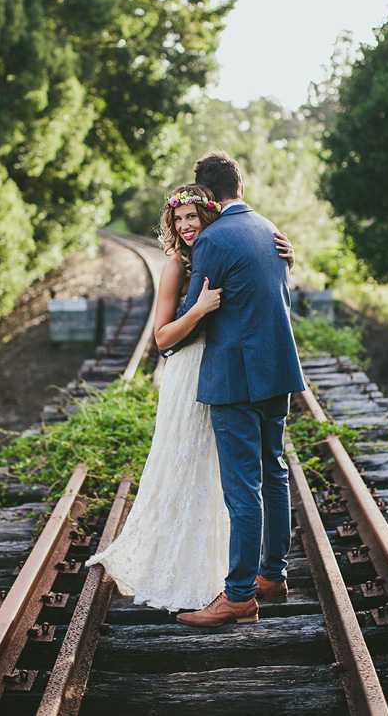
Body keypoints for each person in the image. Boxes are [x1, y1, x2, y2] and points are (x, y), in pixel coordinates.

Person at [85, 180, 296, 613]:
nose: (185, 226)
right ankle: (206, 570)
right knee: (194, 470)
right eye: (178, 219)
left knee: (228, 479)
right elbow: (162, 338)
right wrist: (198, 310)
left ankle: (242, 579)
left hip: (225, 373)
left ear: (209, 216)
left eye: (192, 217)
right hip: (193, 375)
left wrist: (289, 260)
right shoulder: (176, 266)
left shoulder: (219, 248)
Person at [167, 152, 306, 628]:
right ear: (239, 185)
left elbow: (189, 319)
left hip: (236, 380)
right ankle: (273, 576)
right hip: (277, 372)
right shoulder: (271, 229)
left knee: (242, 490)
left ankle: (240, 596)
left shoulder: (212, 240)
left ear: (205, 195)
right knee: (275, 473)